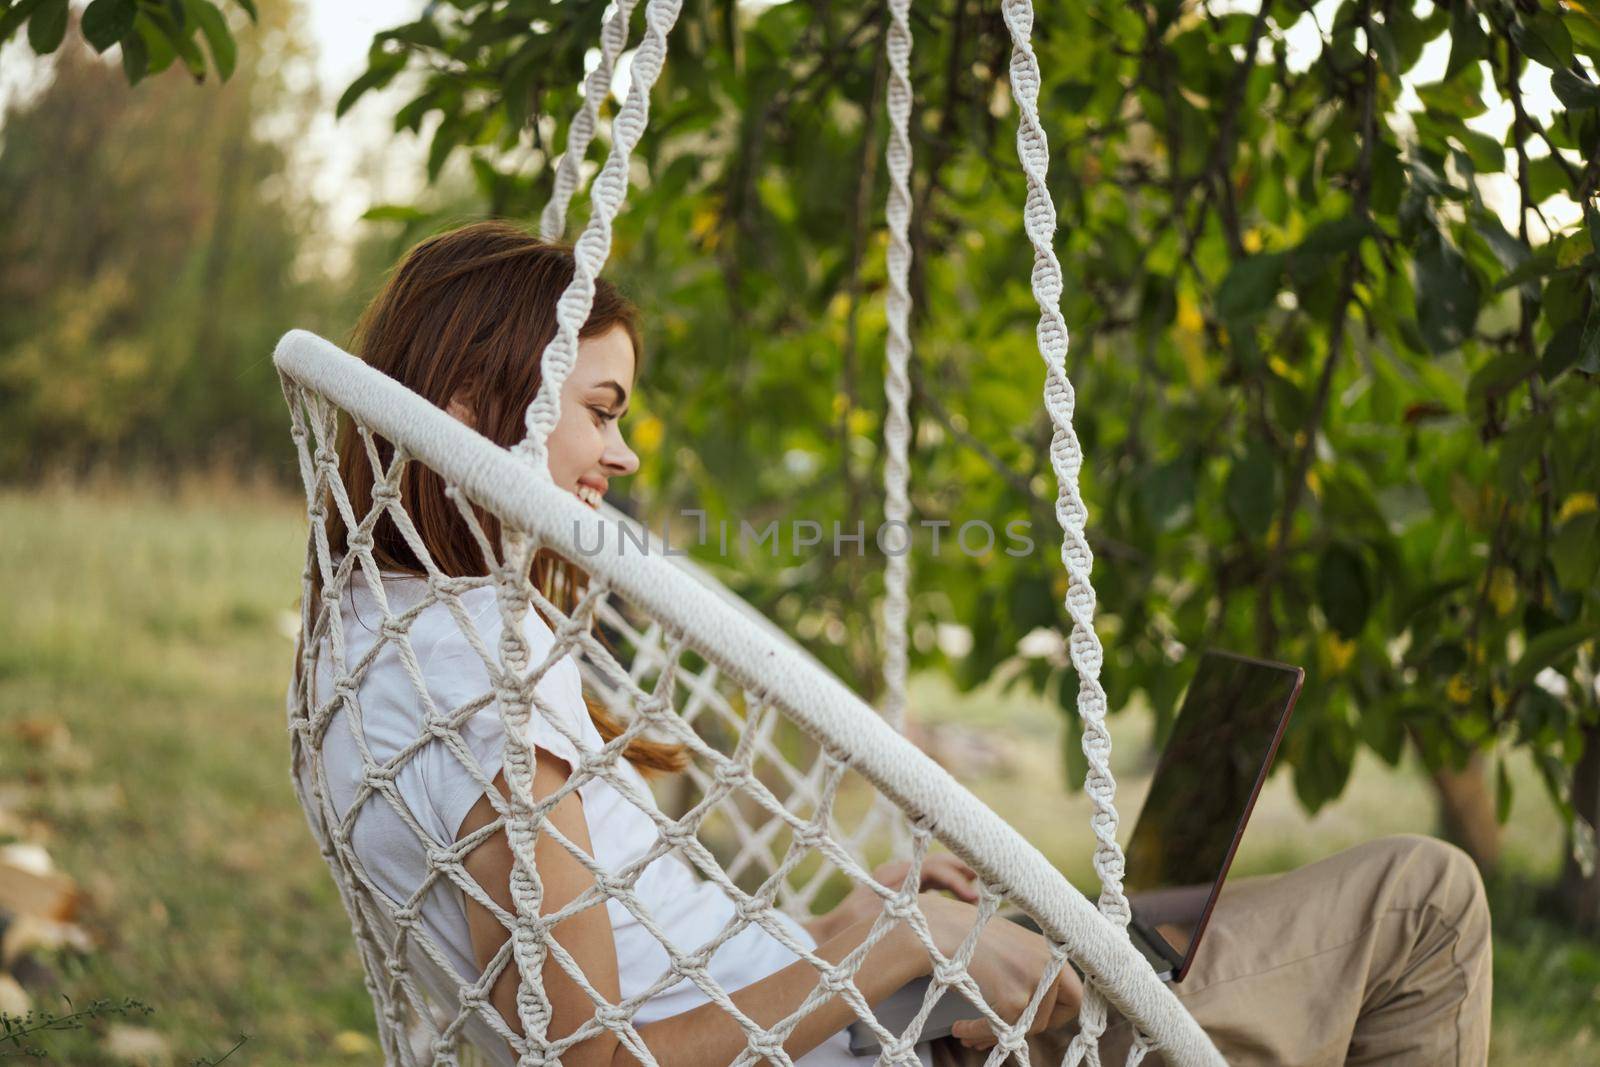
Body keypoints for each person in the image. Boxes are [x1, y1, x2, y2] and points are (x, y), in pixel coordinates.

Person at [300, 220, 1492, 1067]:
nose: (626, 454)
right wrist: (889, 949)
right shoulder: (479, 692)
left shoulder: (385, 637)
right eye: (602, 411)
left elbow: (648, 969)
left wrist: (851, 926)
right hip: (883, 1036)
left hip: (864, 1006)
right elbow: (594, 1058)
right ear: (465, 409)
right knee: (1424, 901)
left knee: (1196, 927)